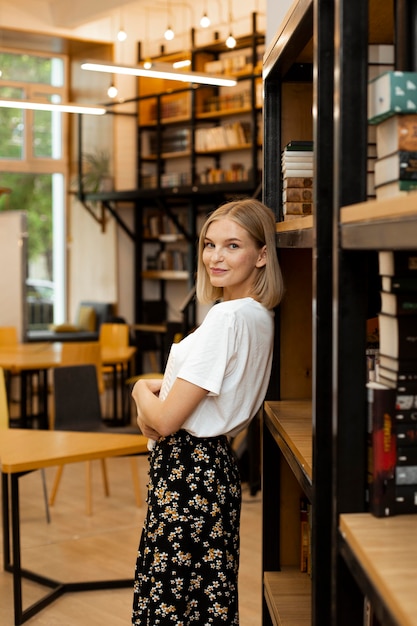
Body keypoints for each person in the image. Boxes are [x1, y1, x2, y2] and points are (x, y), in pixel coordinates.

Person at [131, 198, 284, 625]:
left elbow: (161, 421)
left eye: (233, 246)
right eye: (210, 244)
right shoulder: (260, 317)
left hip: (186, 473)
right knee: (204, 602)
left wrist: (140, 388)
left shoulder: (226, 319)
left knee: (168, 606)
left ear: (262, 255)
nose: (216, 257)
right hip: (213, 470)